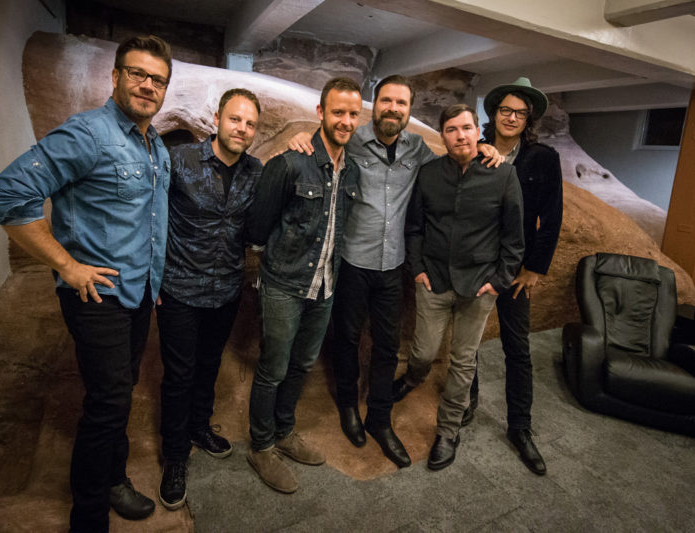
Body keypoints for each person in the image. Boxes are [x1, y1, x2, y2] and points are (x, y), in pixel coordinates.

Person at [0, 35, 172, 532]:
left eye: (158, 79)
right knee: (109, 403)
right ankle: (88, 517)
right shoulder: (87, 134)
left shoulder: (155, 147)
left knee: (120, 394)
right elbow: (6, 196)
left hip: (138, 294)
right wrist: (67, 265)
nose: (148, 86)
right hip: (97, 296)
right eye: (138, 74)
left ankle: (113, 482)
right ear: (115, 77)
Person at [286, 76, 502, 468]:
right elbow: (322, 139)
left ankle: (380, 419)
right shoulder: (352, 139)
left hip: (393, 266)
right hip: (351, 261)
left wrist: (481, 147)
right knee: (347, 339)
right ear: (375, 104)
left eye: (401, 103)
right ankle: (349, 407)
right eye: (386, 101)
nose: (393, 108)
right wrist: (301, 137)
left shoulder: (417, 148)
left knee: (387, 346)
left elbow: (451, 162)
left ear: (409, 110)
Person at [245, 77, 362, 494]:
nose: (345, 121)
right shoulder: (292, 161)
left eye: (352, 114)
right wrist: (272, 263)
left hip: (325, 286)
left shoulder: (353, 170)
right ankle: (260, 446)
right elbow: (258, 226)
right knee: (273, 367)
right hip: (283, 285)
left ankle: (284, 431)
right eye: (338, 112)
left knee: (301, 366)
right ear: (320, 113)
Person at [396, 103, 524, 471]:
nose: (460, 135)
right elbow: (415, 226)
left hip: (479, 288)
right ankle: (414, 378)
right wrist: (417, 268)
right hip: (433, 281)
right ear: (443, 136)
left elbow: (514, 239)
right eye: (451, 129)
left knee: (462, 363)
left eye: (466, 127)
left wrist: (498, 282)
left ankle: (448, 431)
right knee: (422, 352)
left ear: (477, 131)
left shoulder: (503, 175)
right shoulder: (430, 174)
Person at [156, 89, 263, 509]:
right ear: (217, 118)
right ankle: (175, 455)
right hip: (179, 290)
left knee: (209, 365)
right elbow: (153, 219)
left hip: (225, 291)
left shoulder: (257, 170)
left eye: (251, 123)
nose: (242, 129)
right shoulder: (180, 160)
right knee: (178, 375)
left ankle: (199, 426)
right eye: (236, 119)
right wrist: (152, 283)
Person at [465, 77, 562, 475]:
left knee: (517, 350)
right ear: (494, 113)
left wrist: (535, 269)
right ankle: (465, 402)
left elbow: (551, 216)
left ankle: (520, 428)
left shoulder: (543, 158)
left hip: (516, 269)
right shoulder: (473, 151)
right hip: (475, 263)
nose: (512, 117)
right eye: (506, 110)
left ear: (529, 120)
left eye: (521, 113)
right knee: (466, 343)